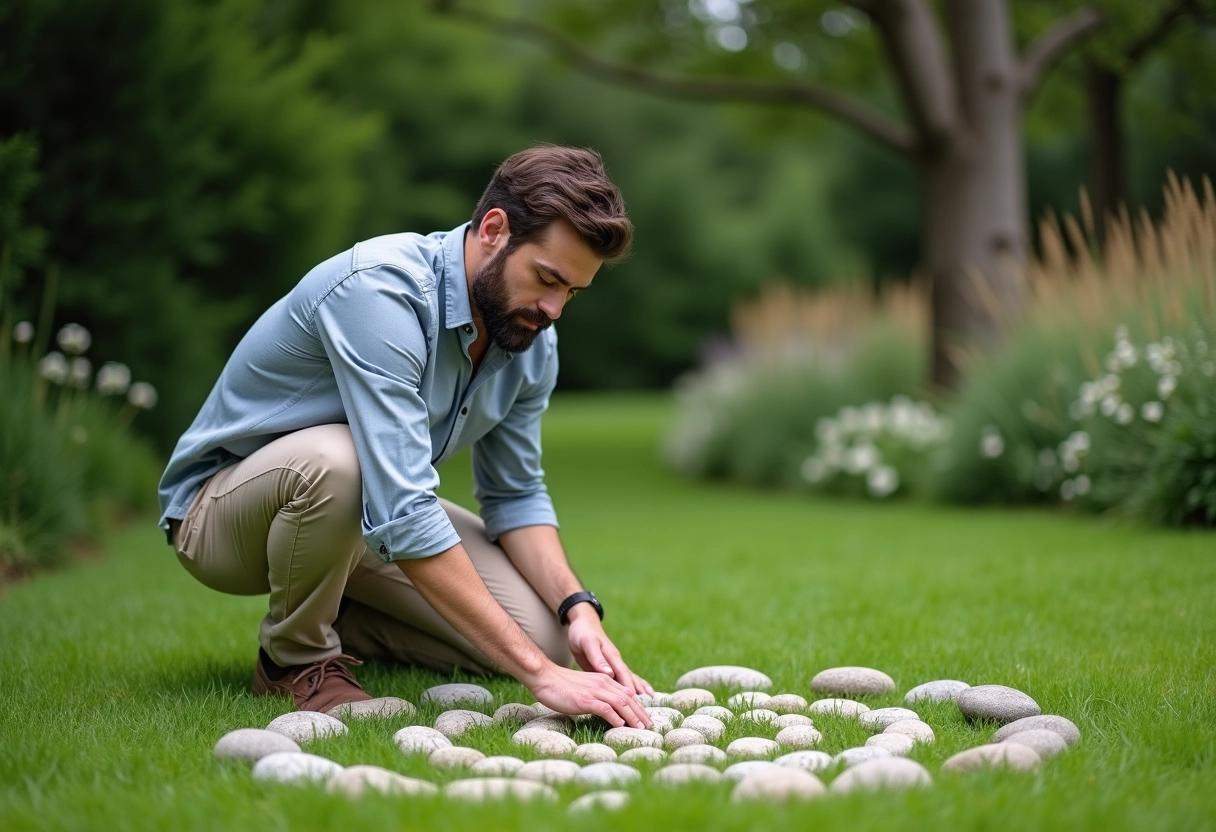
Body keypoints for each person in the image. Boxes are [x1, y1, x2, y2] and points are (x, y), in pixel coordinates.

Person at [157, 146, 653, 728]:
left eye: (571, 292)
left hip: (359, 520)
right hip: (223, 518)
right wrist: (540, 681)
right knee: (340, 461)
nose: (553, 309)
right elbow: (402, 506)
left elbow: (516, 495)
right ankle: (294, 660)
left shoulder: (529, 340)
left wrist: (577, 608)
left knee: (542, 636)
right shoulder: (380, 293)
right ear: (494, 229)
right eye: (547, 278)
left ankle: (342, 618)